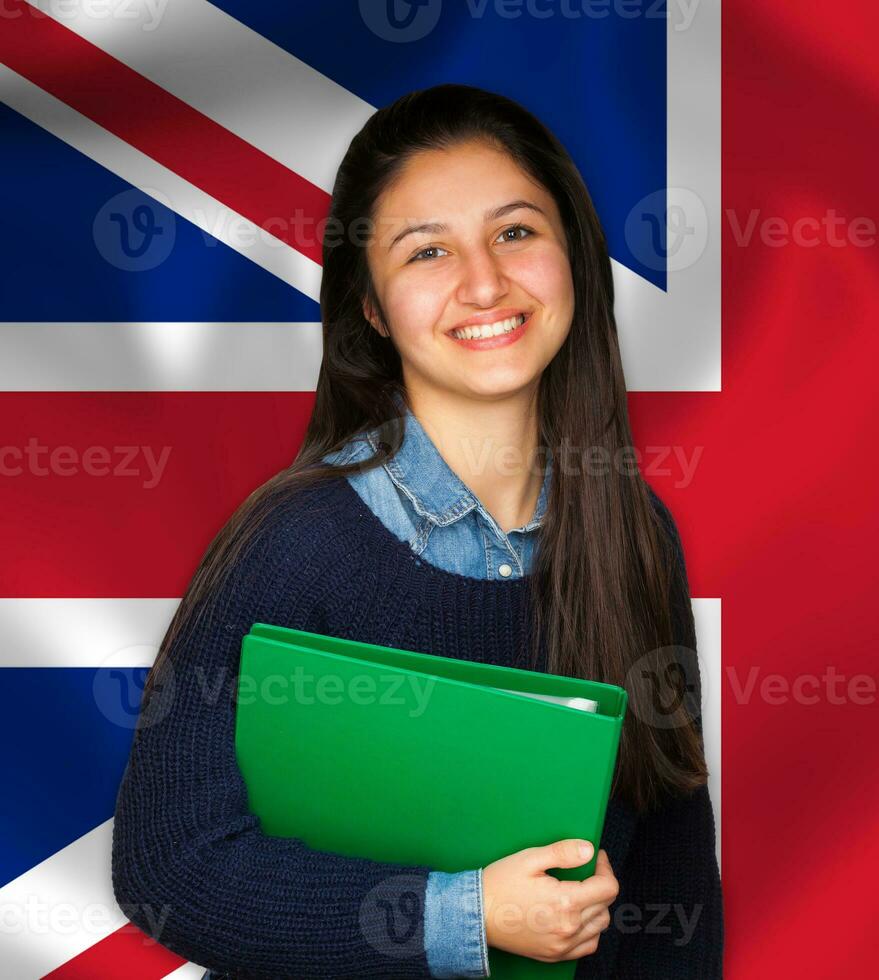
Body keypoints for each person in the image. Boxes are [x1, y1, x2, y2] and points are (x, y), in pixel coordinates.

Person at [110, 83, 722, 978]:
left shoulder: (633, 535)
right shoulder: (294, 541)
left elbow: (672, 878)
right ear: (369, 306)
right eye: (427, 250)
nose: (485, 282)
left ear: (578, 262)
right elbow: (171, 865)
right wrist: (466, 914)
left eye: (515, 232)